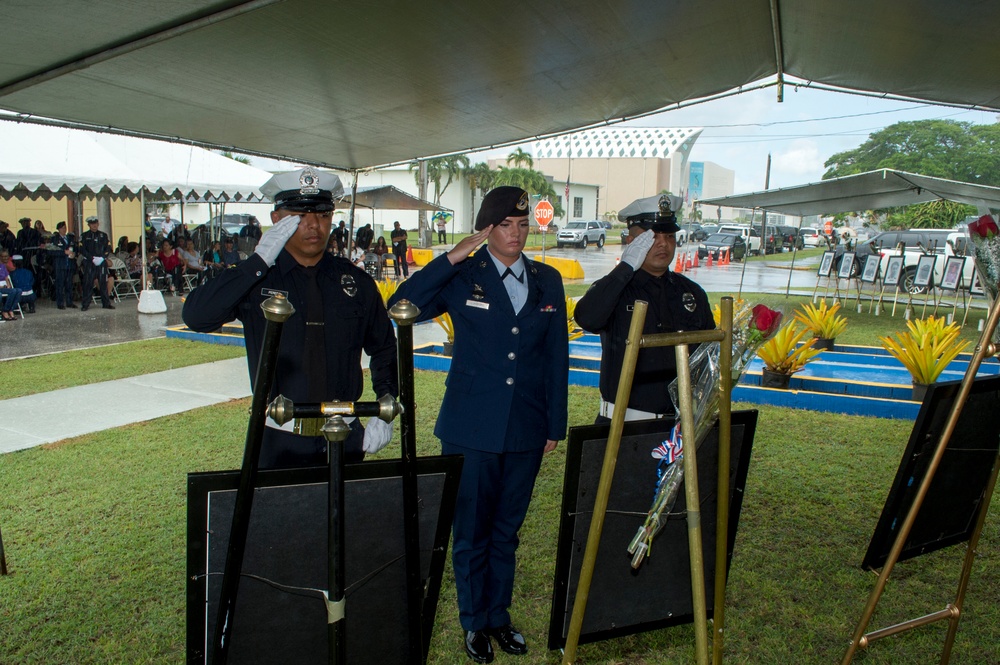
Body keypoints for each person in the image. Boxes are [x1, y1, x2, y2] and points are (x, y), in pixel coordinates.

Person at [389, 186, 568, 663]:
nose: (515, 234)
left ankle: (498, 617)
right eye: (504, 225)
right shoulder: (463, 275)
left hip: (527, 427)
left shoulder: (548, 280)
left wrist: (556, 423)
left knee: (506, 530)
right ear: (486, 229)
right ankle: (473, 624)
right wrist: (451, 257)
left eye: (522, 224)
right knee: (470, 531)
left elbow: (556, 357)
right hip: (471, 427)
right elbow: (402, 306)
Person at [183, 167, 398, 469]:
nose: (313, 225)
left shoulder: (353, 282)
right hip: (278, 440)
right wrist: (257, 262)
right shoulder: (256, 280)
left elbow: (384, 348)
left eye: (323, 215)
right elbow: (196, 316)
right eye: (299, 215)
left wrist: (385, 405)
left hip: (345, 438)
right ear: (277, 219)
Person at [574, 195, 715, 423]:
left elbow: (707, 359)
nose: (663, 243)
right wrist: (626, 267)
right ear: (631, 241)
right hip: (623, 425)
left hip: (680, 428)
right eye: (651, 237)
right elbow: (587, 318)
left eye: (669, 236)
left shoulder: (691, 293)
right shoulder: (615, 289)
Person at [79, 216, 115, 310]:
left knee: (103, 283)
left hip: (101, 261)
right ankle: (85, 304)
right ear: (89, 225)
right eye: (92, 224)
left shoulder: (103, 235)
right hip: (90, 262)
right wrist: (92, 258)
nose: (94, 225)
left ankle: (106, 303)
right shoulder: (84, 236)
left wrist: (103, 257)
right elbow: (82, 249)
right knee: (88, 283)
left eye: (95, 223)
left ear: (98, 224)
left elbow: (108, 247)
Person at [46, 221, 77, 309]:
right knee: (60, 284)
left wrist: (74, 254)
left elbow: (75, 248)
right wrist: (63, 252)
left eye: (65, 227)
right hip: (60, 265)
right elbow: (50, 252)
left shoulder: (69, 238)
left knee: (69, 284)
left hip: (69, 264)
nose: (64, 229)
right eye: (62, 228)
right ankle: (60, 303)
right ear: (59, 229)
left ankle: (69, 302)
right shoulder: (54, 239)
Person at [0, 252, 22, 320]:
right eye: (3, 256)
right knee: (13, 291)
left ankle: (11, 309)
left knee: (18, 291)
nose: (5, 258)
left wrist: (8, 284)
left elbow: (6, 276)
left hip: (4, 286)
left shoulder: (2, 266)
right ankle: (5, 310)